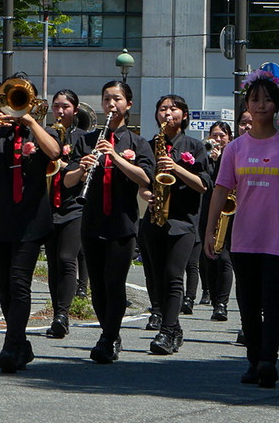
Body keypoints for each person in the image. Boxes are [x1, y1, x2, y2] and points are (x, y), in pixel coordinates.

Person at [204, 69, 279, 388]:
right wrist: (210, 230)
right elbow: (221, 189)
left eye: (267, 99)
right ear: (247, 106)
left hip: (278, 239)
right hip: (244, 238)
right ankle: (254, 360)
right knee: (249, 303)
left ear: (278, 103)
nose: (261, 104)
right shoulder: (236, 148)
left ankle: (269, 360)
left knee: (272, 300)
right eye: (255, 99)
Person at [0, 90, 60, 372]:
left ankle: (10, 344)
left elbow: (54, 152)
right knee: (5, 286)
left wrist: (31, 122)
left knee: (19, 282)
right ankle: (21, 343)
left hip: (29, 220)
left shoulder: (39, 131)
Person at [68, 80, 154, 364]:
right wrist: (82, 168)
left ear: (128, 104)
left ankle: (108, 336)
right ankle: (110, 333)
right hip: (92, 220)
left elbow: (145, 178)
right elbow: (67, 181)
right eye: (107, 99)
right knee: (98, 285)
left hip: (122, 222)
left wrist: (115, 156)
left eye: (117, 99)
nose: (111, 104)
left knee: (114, 281)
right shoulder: (85, 140)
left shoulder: (137, 143)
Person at [138, 94, 211, 356]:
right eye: (162, 109)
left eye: (173, 108)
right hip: (155, 218)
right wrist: (148, 196)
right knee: (157, 278)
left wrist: (177, 169)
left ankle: (167, 332)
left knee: (173, 275)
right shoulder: (148, 145)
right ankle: (173, 326)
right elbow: (142, 184)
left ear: (184, 115)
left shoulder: (195, 146)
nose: (167, 113)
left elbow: (203, 185)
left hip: (183, 221)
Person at [43, 89, 83, 339]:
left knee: (67, 258)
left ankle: (63, 314)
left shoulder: (82, 137)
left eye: (65, 107)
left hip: (73, 205)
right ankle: (57, 309)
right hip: (47, 206)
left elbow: (84, 165)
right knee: (53, 262)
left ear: (75, 110)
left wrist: (65, 164)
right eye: (56, 106)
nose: (60, 111)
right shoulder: (45, 135)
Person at [200, 121, 234, 321]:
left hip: (229, 210)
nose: (218, 139)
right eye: (215, 135)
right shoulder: (206, 154)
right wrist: (211, 160)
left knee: (224, 257)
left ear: (229, 137)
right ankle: (214, 299)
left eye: (222, 135)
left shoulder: (232, 153)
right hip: (208, 209)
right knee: (209, 257)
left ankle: (222, 303)